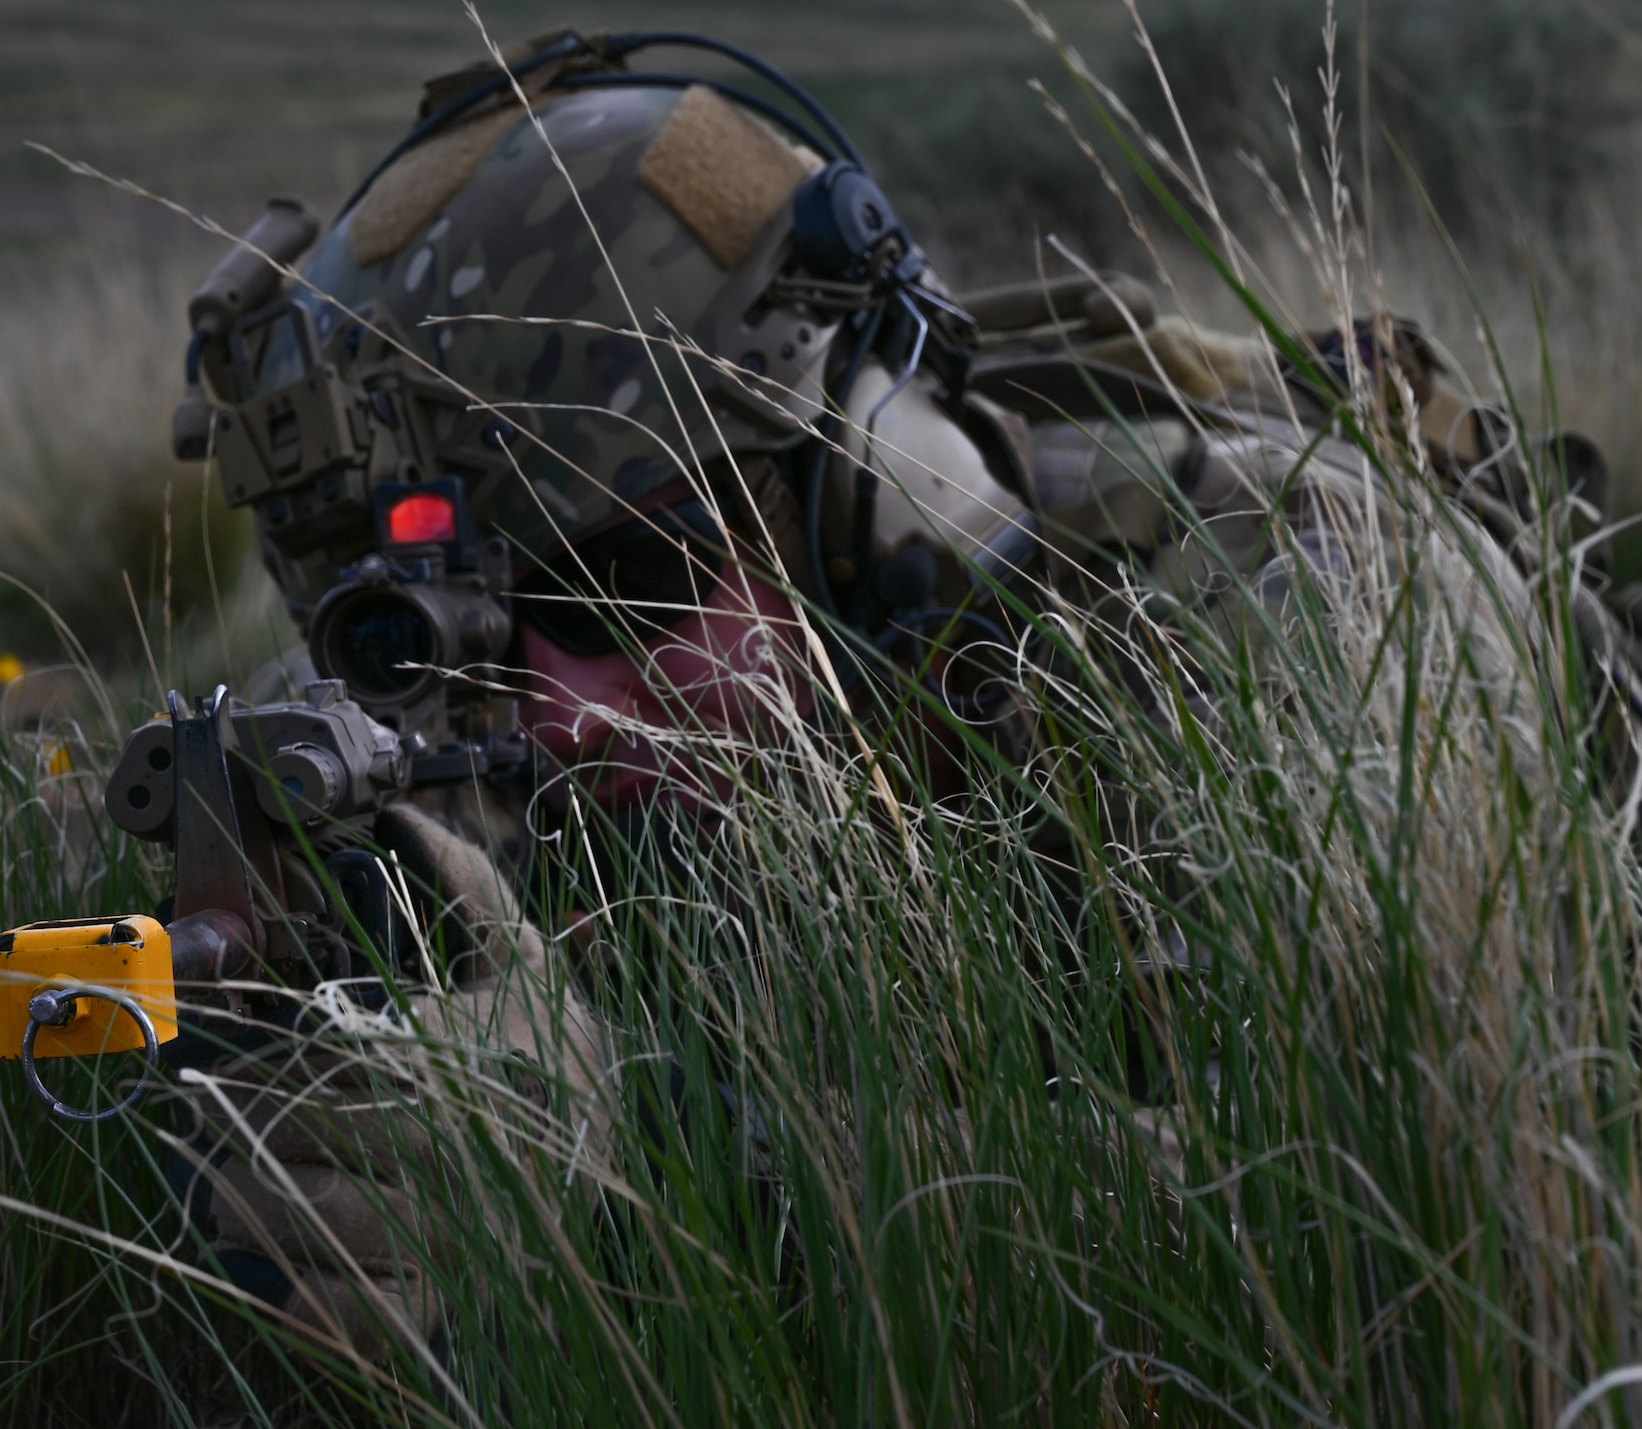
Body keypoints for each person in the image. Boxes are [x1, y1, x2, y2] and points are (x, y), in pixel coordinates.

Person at [158, 28, 1621, 1366]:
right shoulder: (417, 720)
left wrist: (655, 1166)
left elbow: (1407, 1223)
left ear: (872, 479)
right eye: (441, 632)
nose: (557, 708)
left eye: (636, 575)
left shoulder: (1316, 594)